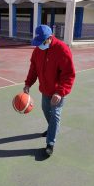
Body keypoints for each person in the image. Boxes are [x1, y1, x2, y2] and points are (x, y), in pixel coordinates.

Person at [23, 24, 76, 156]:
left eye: (42, 42)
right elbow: (33, 68)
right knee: (46, 110)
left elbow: (68, 74)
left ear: (50, 38)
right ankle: (52, 128)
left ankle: (50, 143)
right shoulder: (37, 50)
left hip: (58, 91)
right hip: (45, 89)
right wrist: (28, 83)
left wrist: (60, 92)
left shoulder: (62, 49)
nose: (40, 45)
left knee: (55, 114)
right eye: (38, 42)